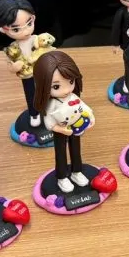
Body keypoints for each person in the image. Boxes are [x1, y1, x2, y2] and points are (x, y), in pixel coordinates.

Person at [34, 50, 94, 195]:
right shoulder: (52, 104)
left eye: (71, 82)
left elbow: (84, 108)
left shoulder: (73, 97)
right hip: (61, 129)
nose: (66, 90)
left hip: (76, 126)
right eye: (56, 86)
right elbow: (48, 123)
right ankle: (61, 177)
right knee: (60, 153)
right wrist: (60, 129)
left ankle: (77, 171)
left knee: (76, 149)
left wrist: (91, 117)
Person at [0, 0, 55, 130]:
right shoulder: (13, 48)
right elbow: (10, 64)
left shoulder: (37, 39)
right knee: (31, 94)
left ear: (34, 18)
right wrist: (14, 67)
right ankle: (34, 114)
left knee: (48, 90)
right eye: (16, 29)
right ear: (3, 30)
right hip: (27, 75)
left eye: (29, 23)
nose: (26, 31)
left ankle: (49, 109)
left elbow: (47, 47)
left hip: (43, 70)